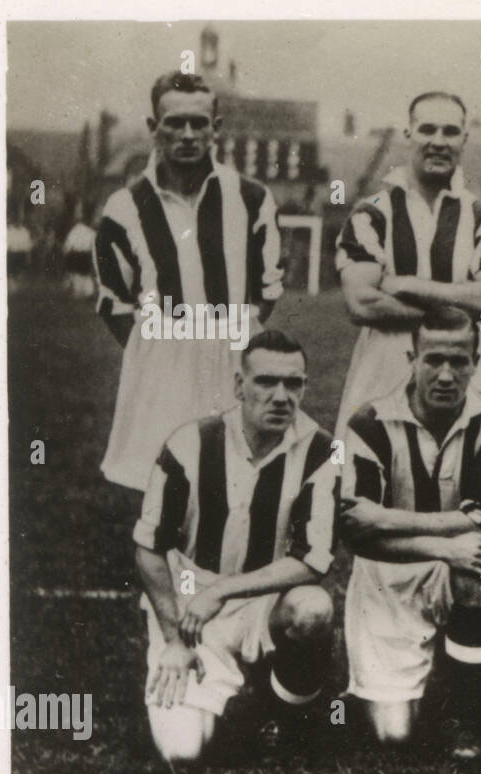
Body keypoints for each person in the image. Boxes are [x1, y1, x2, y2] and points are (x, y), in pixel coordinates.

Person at [134, 330, 337, 764]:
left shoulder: (320, 451)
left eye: (294, 383)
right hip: (191, 598)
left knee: (313, 610)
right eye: (266, 381)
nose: (281, 396)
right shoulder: (190, 443)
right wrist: (174, 638)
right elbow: (149, 547)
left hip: (263, 594)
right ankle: (209, 686)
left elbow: (313, 559)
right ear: (238, 385)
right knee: (182, 751)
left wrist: (222, 591)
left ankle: (280, 714)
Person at [340, 305, 481, 761]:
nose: (445, 374)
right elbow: (355, 532)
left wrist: (383, 517)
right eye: (433, 359)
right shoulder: (368, 422)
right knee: (392, 735)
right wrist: (443, 543)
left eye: (459, 361)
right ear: (410, 359)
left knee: (480, 563)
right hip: (388, 569)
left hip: (454, 561)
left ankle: (467, 713)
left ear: (476, 364)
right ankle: (396, 681)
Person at [94, 71, 283, 493]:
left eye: (199, 123)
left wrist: (224, 336)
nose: (187, 134)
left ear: (215, 128)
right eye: (174, 122)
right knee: (162, 491)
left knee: (237, 486)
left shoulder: (251, 198)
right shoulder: (125, 207)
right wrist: (161, 347)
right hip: (162, 361)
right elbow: (114, 302)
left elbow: (267, 289)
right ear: (152, 128)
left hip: (234, 358)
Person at [335, 90, 481, 435]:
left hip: (465, 363)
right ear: (408, 135)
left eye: (449, 132)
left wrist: (406, 285)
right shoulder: (371, 213)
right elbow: (362, 302)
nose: (438, 141)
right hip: (387, 362)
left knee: (467, 475)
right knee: (377, 470)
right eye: (427, 130)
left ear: (464, 138)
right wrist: (453, 315)